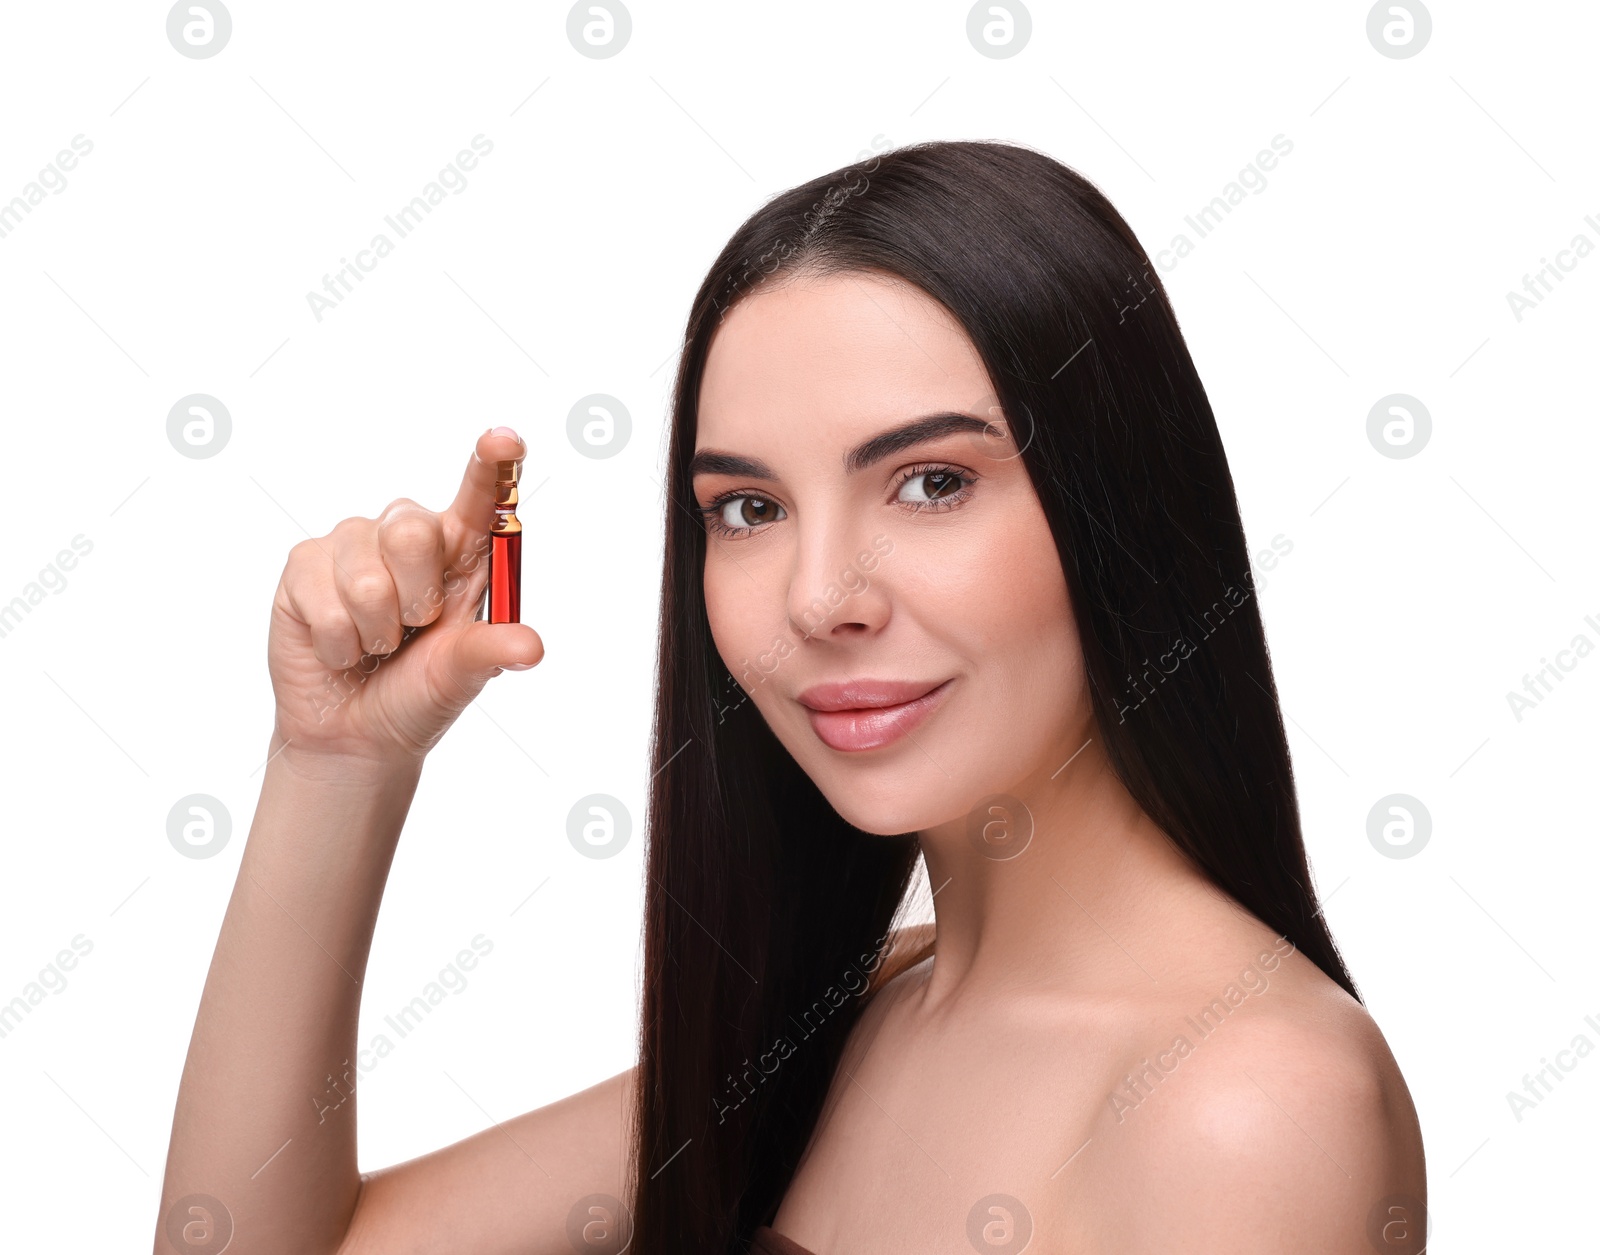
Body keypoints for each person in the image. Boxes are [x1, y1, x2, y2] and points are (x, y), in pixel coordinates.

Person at [155, 139, 1426, 1255]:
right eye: (749, 509)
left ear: (1123, 506)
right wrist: (337, 760)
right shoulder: (868, 1003)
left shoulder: (1248, 1105)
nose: (821, 598)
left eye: (930, 482)